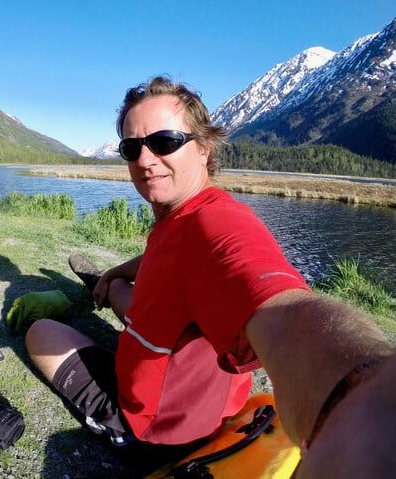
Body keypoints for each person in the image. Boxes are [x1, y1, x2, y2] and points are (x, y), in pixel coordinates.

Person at [25, 75, 395, 476]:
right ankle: (104, 285)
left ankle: (107, 313)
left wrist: (362, 398)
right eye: (132, 148)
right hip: (209, 404)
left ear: (204, 148)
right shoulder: (180, 220)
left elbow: (285, 310)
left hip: (157, 432)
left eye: (165, 142)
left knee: (41, 331)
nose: (146, 160)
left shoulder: (219, 223)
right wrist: (116, 272)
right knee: (120, 287)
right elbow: (158, 254)